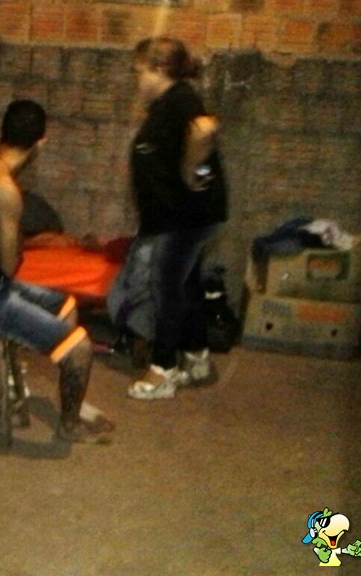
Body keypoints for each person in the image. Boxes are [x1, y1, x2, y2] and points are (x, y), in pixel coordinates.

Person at [0, 99, 114, 443]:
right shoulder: (5, 188)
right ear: (41, 142)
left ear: (2, 131)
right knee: (81, 348)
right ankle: (70, 426)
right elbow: (10, 265)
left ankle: (71, 394)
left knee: (66, 305)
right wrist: (13, 242)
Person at [124, 36, 229, 400]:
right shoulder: (167, 103)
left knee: (166, 286)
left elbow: (204, 130)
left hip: (185, 216)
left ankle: (163, 369)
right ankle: (197, 358)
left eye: (140, 71)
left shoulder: (180, 99)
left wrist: (189, 171)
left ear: (159, 69)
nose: (137, 79)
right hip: (181, 215)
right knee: (187, 284)